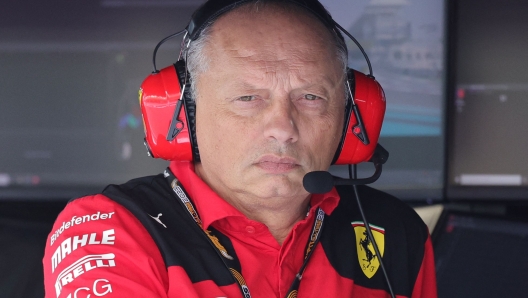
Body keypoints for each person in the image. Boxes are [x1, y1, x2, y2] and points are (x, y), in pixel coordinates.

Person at [43, 0, 437, 297]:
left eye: (311, 97)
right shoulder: (110, 228)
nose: (283, 129)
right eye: (248, 97)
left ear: (351, 116)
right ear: (185, 114)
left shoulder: (397, 232)